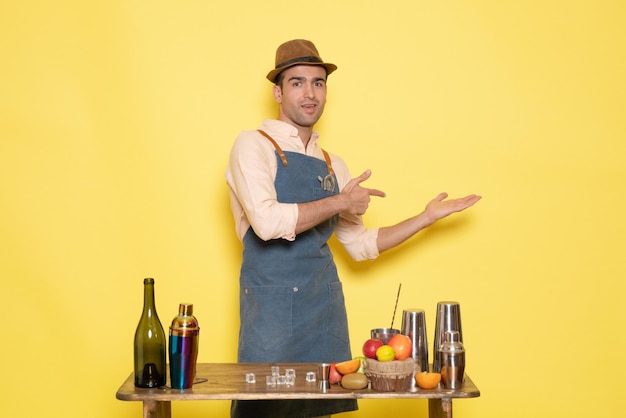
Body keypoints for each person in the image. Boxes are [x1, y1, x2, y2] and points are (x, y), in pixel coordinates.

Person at [225, 39, 481, 418]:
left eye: (318, 82)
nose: (310, 93)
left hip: (323, 308)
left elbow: (361, 244)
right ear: (278, 92)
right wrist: (340, 202)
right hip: (272, 313)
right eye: (297, 83)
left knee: (321, 410)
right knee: (265, 409)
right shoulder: (253, 145)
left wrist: (424, 218)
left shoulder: (333, 164)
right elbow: (266, 223)